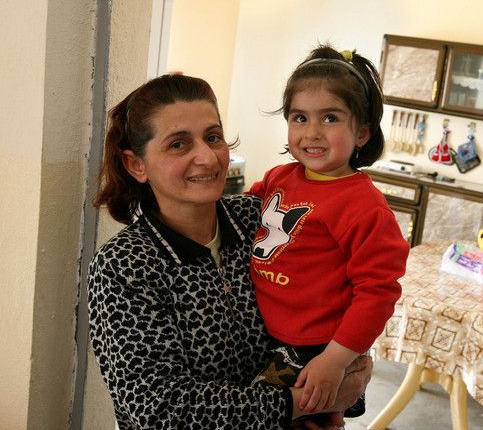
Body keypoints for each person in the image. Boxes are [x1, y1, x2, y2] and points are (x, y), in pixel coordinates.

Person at [88, 73, 372, 430]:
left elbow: (338, 308)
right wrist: (300, 403)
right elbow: (161, 411)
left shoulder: (262, 219)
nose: (207, 157)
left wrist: (344, 383)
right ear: (137, 165)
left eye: (213, 137)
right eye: (178, 144)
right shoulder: (124, 266)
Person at [248, 45, 410, 418]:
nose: (312, 133)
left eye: (331, 118)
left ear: (363, 132)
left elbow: (378, 293)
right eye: (299, 118)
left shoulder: (364, 206)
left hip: (316, 351)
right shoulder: (279, 177)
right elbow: (236, 217)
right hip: (264, 335)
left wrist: (336, 360)